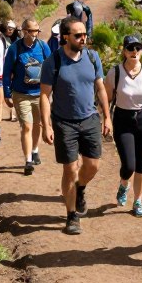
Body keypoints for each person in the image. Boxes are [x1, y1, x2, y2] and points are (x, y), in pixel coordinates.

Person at [39, 16, 112, 235]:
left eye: (84, 34)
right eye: (78, 35)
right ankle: (71, 216)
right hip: (64, 122)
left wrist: (107, 116)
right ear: (65, 37)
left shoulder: (92, 57)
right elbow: (44, 95)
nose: (83, 39)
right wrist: (46, 125)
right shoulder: (54, 61)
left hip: (89, 118)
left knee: (92, 166)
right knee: (70, 168)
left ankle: (80, 188)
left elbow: (100, 89)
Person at [105, 34, 142, 218]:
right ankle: (123, 184)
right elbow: (106, 99)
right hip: (123, 119)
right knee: (129, 164)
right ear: (124, 51)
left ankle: (138, 202)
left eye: (138, 48)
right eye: (130, 48)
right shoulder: (115, 73)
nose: (134, 51)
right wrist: (106, 119)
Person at [2, 19, 51, 175]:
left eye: (37, 31)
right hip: (21, 94)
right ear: (23, 31)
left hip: (40, 94)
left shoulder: (43, 47)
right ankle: (28, 160)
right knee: (27, 126)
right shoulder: (15, 49)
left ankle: (35, 149)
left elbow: (51, 68)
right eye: (31, 31)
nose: (34, 34)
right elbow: (6, 72)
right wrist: (6, 93)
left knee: (38, 125)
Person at [2, 19, 21, 121]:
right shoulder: (1, 38)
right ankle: (12, 112)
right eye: (9, 29)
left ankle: (14, 113)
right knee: (9, 89)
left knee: (14, 90)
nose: (10, 31)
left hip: (14, 67)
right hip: (4, 66)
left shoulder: (17, 40)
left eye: (12, 29)